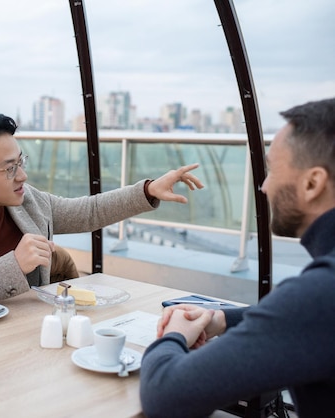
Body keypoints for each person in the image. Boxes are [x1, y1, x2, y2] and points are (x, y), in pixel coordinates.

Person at [139, 98, 335, 418]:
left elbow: (164, 395)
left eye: (271, 170)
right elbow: (295, 321)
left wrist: (174, 335)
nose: (262, 186)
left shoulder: (321, 294)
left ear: (313, 183)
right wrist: (221, 320)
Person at [0, 110, 204, 310]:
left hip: (23, 337)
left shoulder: (29, 203)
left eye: (21, 161)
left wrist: (147, 190)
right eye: (9, 168)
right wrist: (14, 264)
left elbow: (88, 212)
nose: (22, 175)